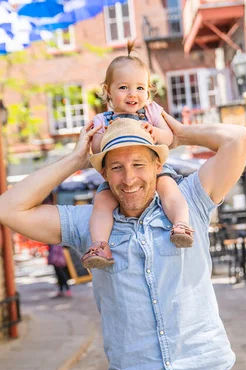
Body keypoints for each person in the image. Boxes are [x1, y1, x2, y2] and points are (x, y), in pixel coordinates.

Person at [0, 108, 246, 370]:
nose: (128, 179)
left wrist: (179, 134)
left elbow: (239, 139)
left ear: (157, 164)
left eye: (139, 164)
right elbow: (6, 209)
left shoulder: (190, 200)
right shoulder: (89, 224)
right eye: (116, 167)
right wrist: (76, 160)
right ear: (103, 172)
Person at [82, 41, 193, 270]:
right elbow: (95, 147)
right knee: (102, 202)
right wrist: (105, 134)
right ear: (108, 91)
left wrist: (156, 132)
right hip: (118, 172)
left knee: (170, 190)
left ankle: (181, 224)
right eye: (123, 88)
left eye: (140, 88)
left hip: (153, 169)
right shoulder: (104, 120)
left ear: (149, 91)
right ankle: (100, 245)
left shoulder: (151, 112)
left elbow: (169, 139)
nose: (133, 94)